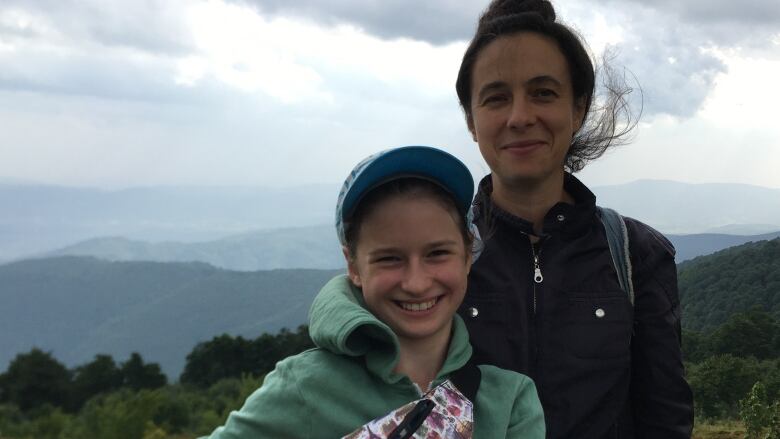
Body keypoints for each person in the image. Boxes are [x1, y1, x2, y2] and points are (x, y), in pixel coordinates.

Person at [453, 1, 694, 438]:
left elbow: (665, 417)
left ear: (578, 109)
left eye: (543, 93)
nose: (520, 117)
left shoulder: (636, 255)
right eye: (496, 97)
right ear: (472, 120)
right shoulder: (440, 255)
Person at [204, 146, 545, 438]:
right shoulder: (307, 387)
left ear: (468, 252)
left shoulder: (509, 403)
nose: (416, 282)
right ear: (352, 265)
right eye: (389, 259)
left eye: (437, 253)